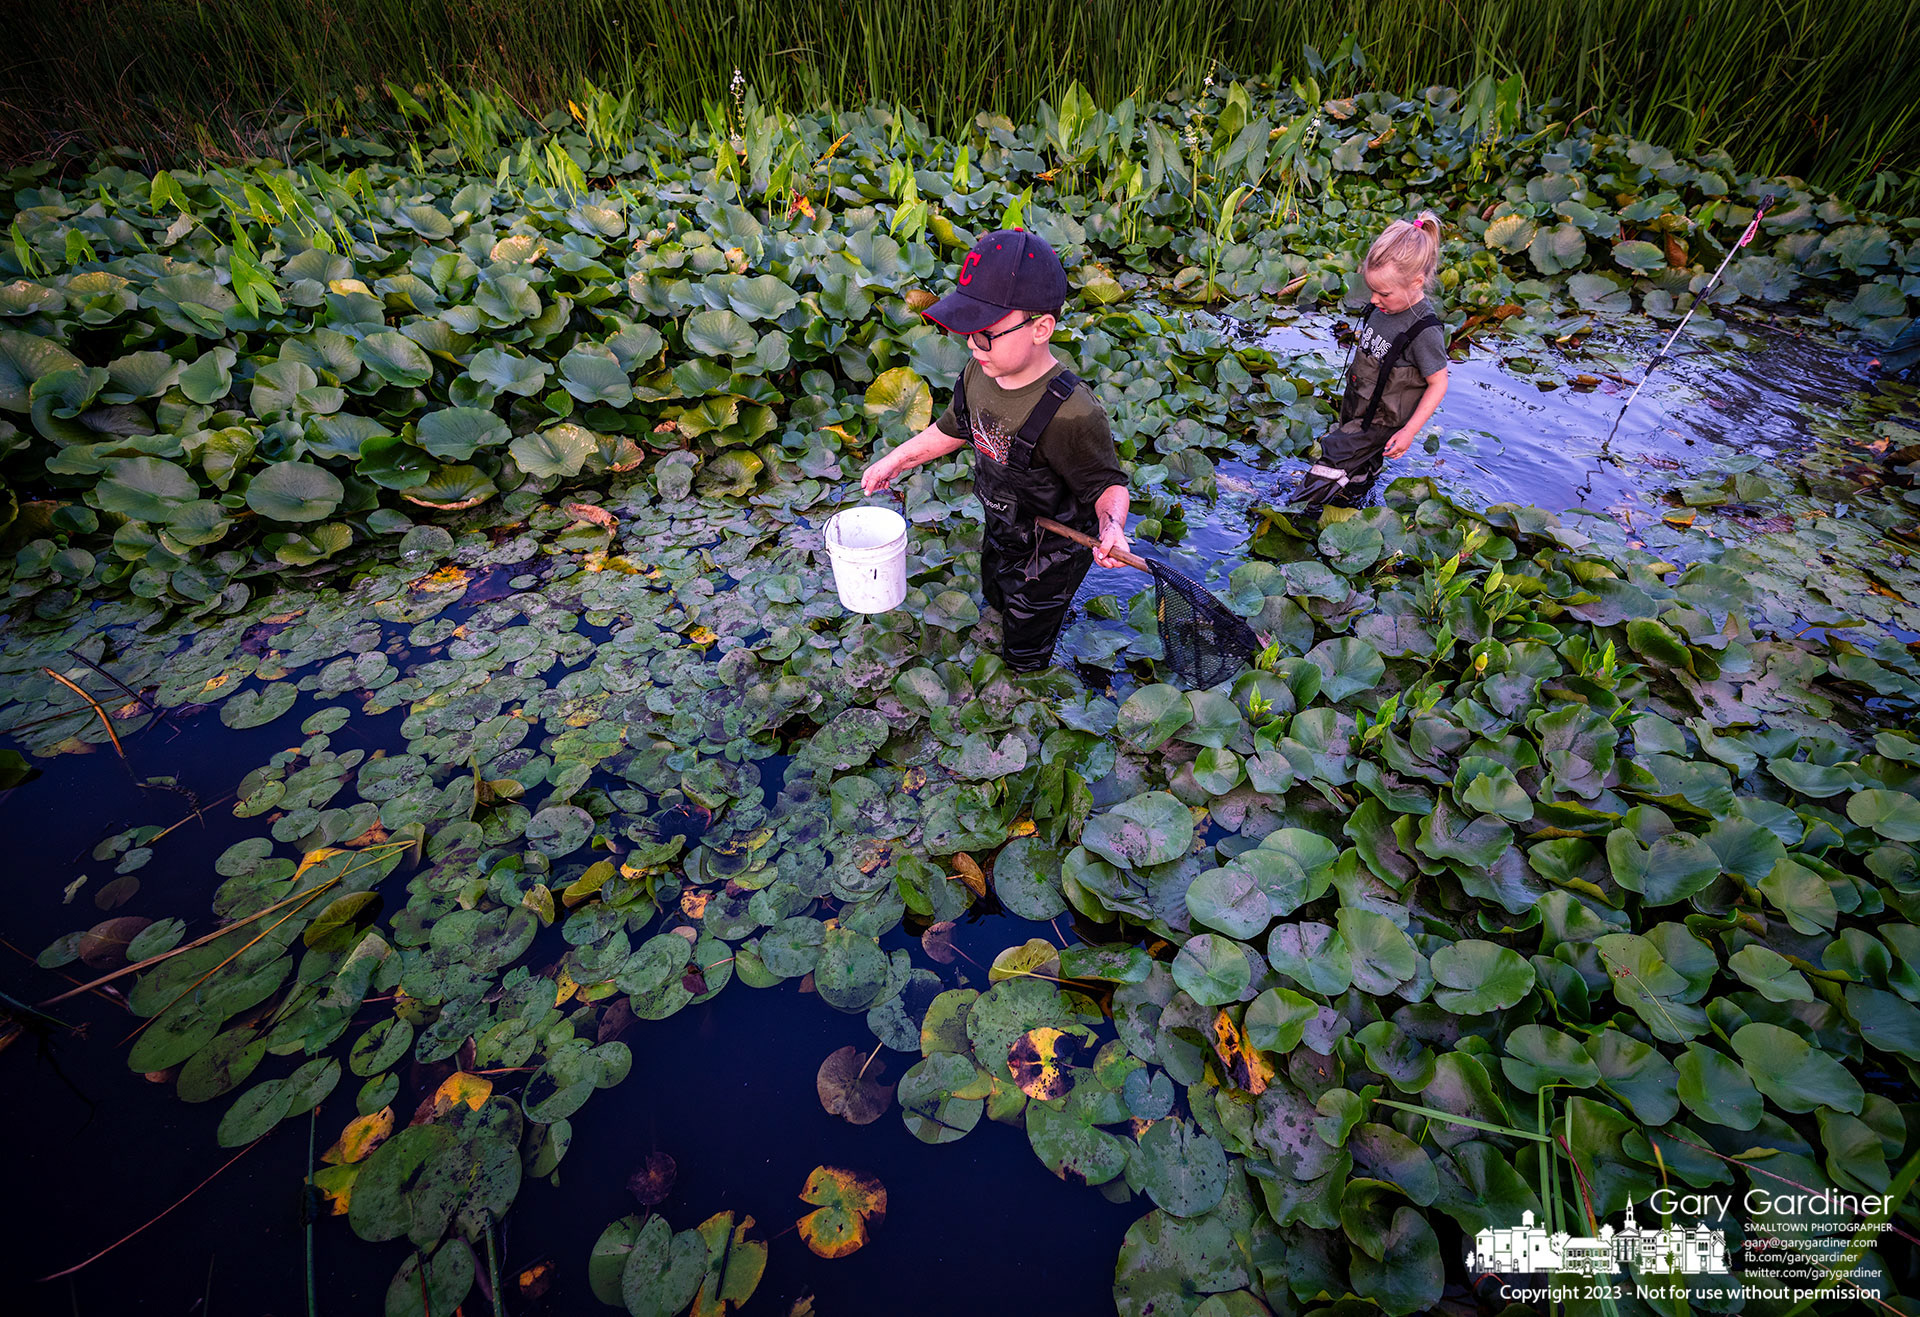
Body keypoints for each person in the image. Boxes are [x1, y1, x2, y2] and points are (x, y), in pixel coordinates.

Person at [860, 228, 1131, 673]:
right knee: (998, 598)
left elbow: (1106, 486)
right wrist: (896, 461)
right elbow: (954, 429)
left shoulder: (1073, 414)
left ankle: (1032, 679)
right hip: (1002, 527)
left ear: (1041, 327)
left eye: (986, 333)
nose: (972, 344)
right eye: (968, 330)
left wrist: (1113, 526)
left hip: (1053, 552)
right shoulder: (977, 372)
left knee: (1026, 647)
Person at [1296, 211, 1451, 509]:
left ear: (1417, 282)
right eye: (1372, 291)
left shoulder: (1423, 329)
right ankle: (1354, 499)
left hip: (1382, 420)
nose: (1374, 300)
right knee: (1358, 468)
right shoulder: (1385, 307)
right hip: (1358, 405)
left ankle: (1296, 509)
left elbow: (1439, 383)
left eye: (1383, 293)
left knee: (1332, 457)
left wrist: (1409, 432)